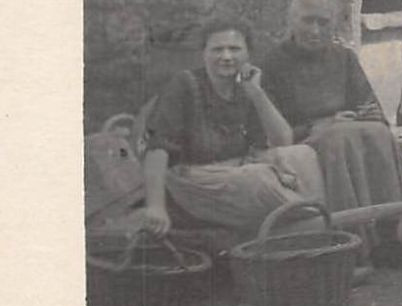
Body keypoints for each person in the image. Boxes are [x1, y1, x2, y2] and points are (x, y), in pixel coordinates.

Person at [139, 18, 325, 254]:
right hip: (193, 181)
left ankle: (310, 222)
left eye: (235, 49)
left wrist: (256, 93)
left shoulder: (246, 89)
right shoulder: (185, 85)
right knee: (259, 179)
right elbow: (157, 146)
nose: (226, 57)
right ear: (203, 53)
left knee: (303, 154)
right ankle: (316, 225)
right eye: (217, 49)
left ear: (247, 54)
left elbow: (283, 141)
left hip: (235, 172)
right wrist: (155, 206)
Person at [262, 0, 402, 216]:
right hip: (305, 143)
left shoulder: (344, 59)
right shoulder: (274, 64)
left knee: (379, 133)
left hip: (347, 137)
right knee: (338, 138)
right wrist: (319, 126)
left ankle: (398, 224)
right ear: (292, 20)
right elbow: (268, 133)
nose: (315, 30)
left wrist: (367, 115)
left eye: (323, 22)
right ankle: (355, 228)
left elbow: (371, 106)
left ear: (334, 24)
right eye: (307, 20)